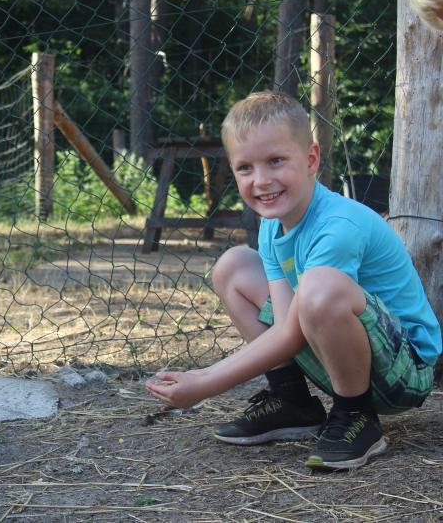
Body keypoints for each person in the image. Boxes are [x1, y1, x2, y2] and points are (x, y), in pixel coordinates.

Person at [145, 91, 441, 470]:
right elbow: (287, 325)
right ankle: (292, 401)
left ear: (311, 159)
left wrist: (207, 383)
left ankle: (356, 416)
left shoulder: (338, 225)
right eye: (245, 168)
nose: (262, 180)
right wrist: (201, 374)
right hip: (346, 354)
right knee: (233, 266)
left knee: (319, 287)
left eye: (276, 161)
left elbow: (292, 331)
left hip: (405, 372)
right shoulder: (272, 226)